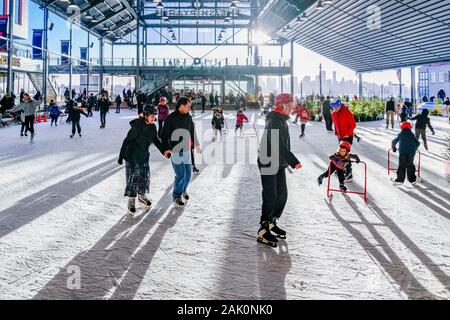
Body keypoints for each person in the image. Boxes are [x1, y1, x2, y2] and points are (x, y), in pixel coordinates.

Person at [257, 93, 302, 248]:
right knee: (271, 196)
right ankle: (263, 230)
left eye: (292, 105)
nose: (292, 108)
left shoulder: (282, 119)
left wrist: (285, 161)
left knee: (282, 195)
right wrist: (292, 160)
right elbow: (277, 144)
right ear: (281, 106)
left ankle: (271, 223)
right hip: (268, 160)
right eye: (289, 105)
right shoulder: (274, 120)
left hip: (278, 161)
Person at [118, 105, 165, 214]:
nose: (154, 118)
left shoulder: (153, 127)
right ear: (145, 116)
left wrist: (164, 150)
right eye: (152, 116)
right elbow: (126, 141)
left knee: (144, 176)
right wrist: (121, 156)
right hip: (132, 157)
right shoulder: (137, 127)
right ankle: (131, 200)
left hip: (143, 156)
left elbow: (156, 141)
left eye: (155, 116)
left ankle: (142, 196)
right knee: (133, 178)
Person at [161, 97, 201, 208]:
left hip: (187, 150)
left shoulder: (188, 117)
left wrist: (196, 144)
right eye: (188, 106)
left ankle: (183, 189)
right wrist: (166, 148)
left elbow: (192, 132)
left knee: (188, 174)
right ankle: (176, 196)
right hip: (176, 151)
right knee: (180, 174)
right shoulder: (170, 118)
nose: (190, 108)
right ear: (181, 106)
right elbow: (164, 135)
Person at [331, 99, 356, 182]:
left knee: (345, 155)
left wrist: (347, 134)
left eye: (336, 107)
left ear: (340, 105)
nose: (335, 108)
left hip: (347, 136)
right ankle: (341, 169)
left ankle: (349, 174)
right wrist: (336, 133)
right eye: (333, 107)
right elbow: (335, 124)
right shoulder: (334, 113)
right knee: (340, 154)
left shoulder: (347, 112)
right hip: (340, 137)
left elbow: (353, 124)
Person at [392, 121, 420, 185]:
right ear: (410, 127)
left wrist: (394, 148)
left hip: (403, 152)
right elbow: (418, 143)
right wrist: (415, 148)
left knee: (402, 165)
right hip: (411, 152)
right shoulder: (412, 135)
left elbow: (394, 142)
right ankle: (412, 179)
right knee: (410, 164)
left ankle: (400, 180)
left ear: (402, 127)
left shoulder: (401, 134)